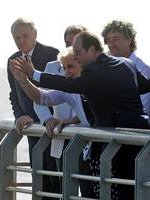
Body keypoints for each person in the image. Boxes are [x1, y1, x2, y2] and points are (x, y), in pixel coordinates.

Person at [9, 31, 150, 200]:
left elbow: (65, 83)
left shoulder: (92, 73)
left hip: (119, 144)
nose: (76, 57)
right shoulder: (127, 63)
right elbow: (143, 87)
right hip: (142, 136)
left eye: (78, 53)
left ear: (91, 50)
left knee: (122, 192)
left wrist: (34, 73)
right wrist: (24, 80)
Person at [34, 25, 94, 197]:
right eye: (68, 43)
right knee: (62, 186)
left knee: (88, 187)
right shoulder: (53, 66)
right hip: (60, 134)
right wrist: (47, 120)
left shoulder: (93, 71)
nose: (71, 47)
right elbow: (40, 99)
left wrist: (73, 120)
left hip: (85, 135)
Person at [7, 17, 60, 199]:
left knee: (56, 180)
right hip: (31, 127)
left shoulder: (52, 54)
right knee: (38, 178)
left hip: (53, 126)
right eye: (17, 38)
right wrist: (19, 116)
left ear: (35, 34)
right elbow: (14, 94)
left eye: (25, 36)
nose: (21, 40)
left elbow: (58, 89)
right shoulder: (12, 60)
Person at [101, 20, 150, 116]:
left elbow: (143, 109)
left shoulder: (144, 70)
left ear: (129, 39)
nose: (111, 45)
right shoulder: (102, 68)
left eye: (116, 39)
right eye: (108, 40)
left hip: (133, 129)